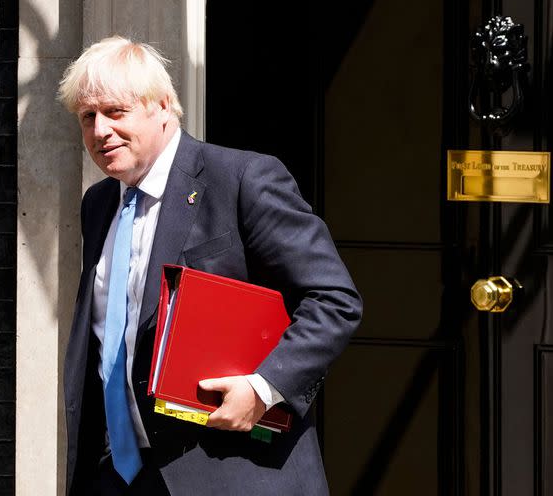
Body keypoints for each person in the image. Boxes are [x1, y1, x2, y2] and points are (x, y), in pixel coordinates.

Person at [58, 36, 362, 495]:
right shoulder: (99, 204)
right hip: (119, 476)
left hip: (230, 470)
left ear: (163, 106)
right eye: (88, 116)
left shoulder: (241, 180)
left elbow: (334, 300)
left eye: (115, 112)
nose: (100, 131)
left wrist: (264, 388)